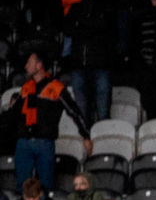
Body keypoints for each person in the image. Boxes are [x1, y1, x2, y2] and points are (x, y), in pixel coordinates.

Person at [3, 51, 93, 192]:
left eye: (29, 63)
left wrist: (86, 136)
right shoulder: (26, 88)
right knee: (21, 187)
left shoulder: (56, 87)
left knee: (44, 187)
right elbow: (13, 114)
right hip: (23, 143)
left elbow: (74, 112)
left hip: (44, 143)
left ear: (39, 65)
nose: (26, 66)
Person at [63, 0, 115, 122]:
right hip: (79, 66)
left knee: (103, 112)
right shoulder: (75, 8)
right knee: (81, 115)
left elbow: (104, 27)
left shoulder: (108, 7)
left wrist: (81, 26)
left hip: (101, 67)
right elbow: (68, 29)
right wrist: (92, 28)